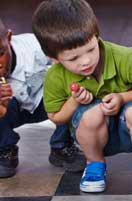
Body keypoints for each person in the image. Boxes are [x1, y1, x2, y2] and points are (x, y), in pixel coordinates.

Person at [32, 0, 132, 193]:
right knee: (92, 114)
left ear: (96, 36)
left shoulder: (130, 58)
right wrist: (75, 101)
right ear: (53, 58)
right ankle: (94, 164)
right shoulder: (55, 76)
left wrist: (122, 98)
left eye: (91, 49)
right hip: (92, 136)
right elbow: (55, 117)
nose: (86, 61)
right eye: (73, 58)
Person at [0, 18, 85, 178]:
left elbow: (69, 62)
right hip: (9, 111)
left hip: (45, 101)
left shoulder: (35, 46)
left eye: (0, 53)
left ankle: (61, 146)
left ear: (9, 38)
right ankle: (4, 149)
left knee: (74, 89)